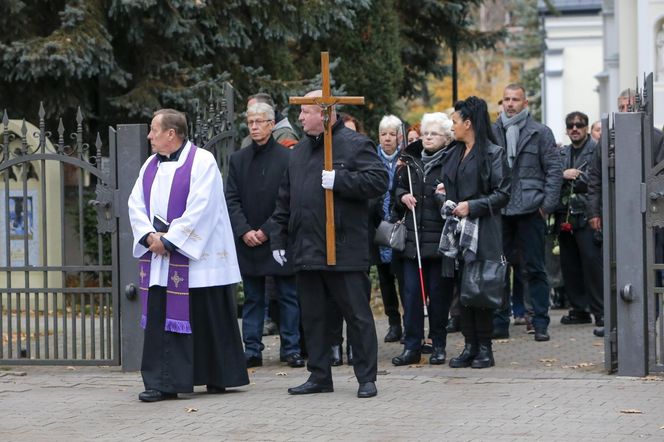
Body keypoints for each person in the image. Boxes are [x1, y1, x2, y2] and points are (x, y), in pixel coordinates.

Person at [268, 90, 388, 398]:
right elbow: (285, 198)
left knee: (357, 315)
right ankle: (319, 374)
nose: (300, 117)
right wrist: (279, 237)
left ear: (323, 114)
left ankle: (366, 377)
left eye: (305, 112)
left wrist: (341, 182)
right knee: (314, 317)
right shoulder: (298, 153)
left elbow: (378, 182)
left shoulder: (355, 144)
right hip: (308, 248)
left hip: (344, 247)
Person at [128, 109, 249, 402]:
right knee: (163, 316)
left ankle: (217, 375)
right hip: (160, 256)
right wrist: (148, 236)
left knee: (206, 317)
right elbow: (136, 203)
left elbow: (202, 207)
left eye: (153, 130)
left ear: (171, 134)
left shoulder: (201, 162)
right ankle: (163, 382)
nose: (149, 136)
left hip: (197, 259)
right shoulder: (149, 165)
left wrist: (170, 240)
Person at [225, 102, 305, 369]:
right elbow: (231, 199)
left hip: (278, 237)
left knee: (287, 295)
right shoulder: (238, 159)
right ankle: (252, 349)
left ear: (272, 125)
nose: (255, 127)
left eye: (260, 122)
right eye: (251, 122)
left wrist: (267, 230)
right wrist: (244, 230)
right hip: (248, 238)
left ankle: (291, 348)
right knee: (252, 298)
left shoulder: (288, 158)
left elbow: (291, 199)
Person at [587, 89, 664, 337]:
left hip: (648, 215)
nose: (625, 112)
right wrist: (594, 212)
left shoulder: (656, 138)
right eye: (621, 107)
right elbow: (595, 179)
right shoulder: (608, 139)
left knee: (649, 270)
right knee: (616, 268)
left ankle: (647, 322)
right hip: (616, 214)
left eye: (629, 106)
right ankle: (618, 324)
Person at [444, 96, 511, 368]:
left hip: (483, 230)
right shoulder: (455, 152)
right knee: (462, 288)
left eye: (455, 122)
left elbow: (503, 193)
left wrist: (472, 206)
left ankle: (485, 348)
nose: (452, 127)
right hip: (457, 231)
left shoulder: (494, 153)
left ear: (468, 123)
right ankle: (469, 345)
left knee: (480, 288)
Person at [492, 84, 562, 342]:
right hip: (500, 210)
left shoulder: (540, 132)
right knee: (499, 269)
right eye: (506, 99)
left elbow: (554, 171)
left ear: (525, 103)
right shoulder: (492, 131)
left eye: (515, 100)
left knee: (535, 268)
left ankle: (540, 322)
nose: (510, 104)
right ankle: (499, 322)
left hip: (532, 209)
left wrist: (546, 206)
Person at [391, 112, 454, 366]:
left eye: (434, 133)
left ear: (446, 138)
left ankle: (438, 344)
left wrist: (445, 195)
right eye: (426, 133)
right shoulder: (409, 161)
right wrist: (402, 196)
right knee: (411, 296)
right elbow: (395, 193)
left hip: (439, 242)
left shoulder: (451, 162)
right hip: (412, 241)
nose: (428, 137)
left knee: (439, 298)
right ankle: (411, 346)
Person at [555, 111, 603, 327]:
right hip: (565, 215)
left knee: (592, 264)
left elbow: (596, 180)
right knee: (569, 264)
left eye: (580, 125)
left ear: (586, 128)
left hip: (587, 214)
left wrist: (576, 176)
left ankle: (600, 311)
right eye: (571, 125)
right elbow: (553, 176)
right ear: (566, 129)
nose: (575, 128)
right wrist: (563, 174)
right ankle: (578, 309)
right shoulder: (561, 153)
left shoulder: (596, 150)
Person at [375, 114, 406, 343]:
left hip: (400, 225)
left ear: (399, 137)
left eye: (392, 134)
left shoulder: (405, 159)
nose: (387, 139)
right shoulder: (372, 158)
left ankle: (409, 323)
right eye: (383, 134)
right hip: (379, 227)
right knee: (385, 280)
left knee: (404, 278)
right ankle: (393, 322)